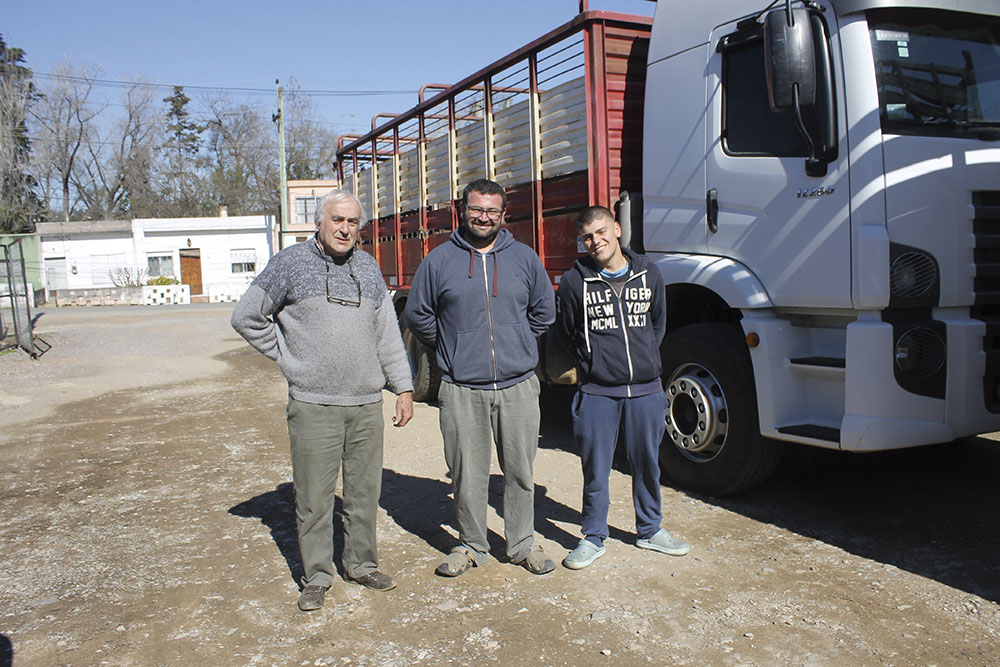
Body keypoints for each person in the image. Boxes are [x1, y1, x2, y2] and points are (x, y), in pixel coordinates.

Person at [231, 189, 414, 611]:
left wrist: (403, 387)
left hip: (365, 404)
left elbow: (387, 334)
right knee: (314, 498)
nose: (345, 229)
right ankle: (316, 576)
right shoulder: (290, 263)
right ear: (319, 221)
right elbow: (246, 317)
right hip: (313, 404)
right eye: (337, 219)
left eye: (352, 222)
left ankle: (361, 564)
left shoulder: (368, 268)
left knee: (364, 493)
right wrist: (289, 357)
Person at [403, 178, 556, 577]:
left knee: (520, 472)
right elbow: (418, 314)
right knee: (467, 474)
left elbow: (544, 311)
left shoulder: (524, 258)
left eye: (491, 211)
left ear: (504, 214)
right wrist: (453, 345)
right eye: (476, 209)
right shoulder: (439, 261)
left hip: (518, 386)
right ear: (462, 210)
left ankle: (521, 544)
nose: (483, 217)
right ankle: (471, 544)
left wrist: (516, 342)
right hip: (462, 388)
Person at [555, 205, 690, 570]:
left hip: (646, 389)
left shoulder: (649, 273)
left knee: (647, 463)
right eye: (587, 237)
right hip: (598, 392)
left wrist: (644, 362)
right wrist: (592, 364)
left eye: (601, 232)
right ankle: (593, 536)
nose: (595, 241)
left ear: (616, 229)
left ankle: (650, 529)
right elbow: (567, 331)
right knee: (595, 467)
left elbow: (657, 324)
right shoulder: (574, 282)